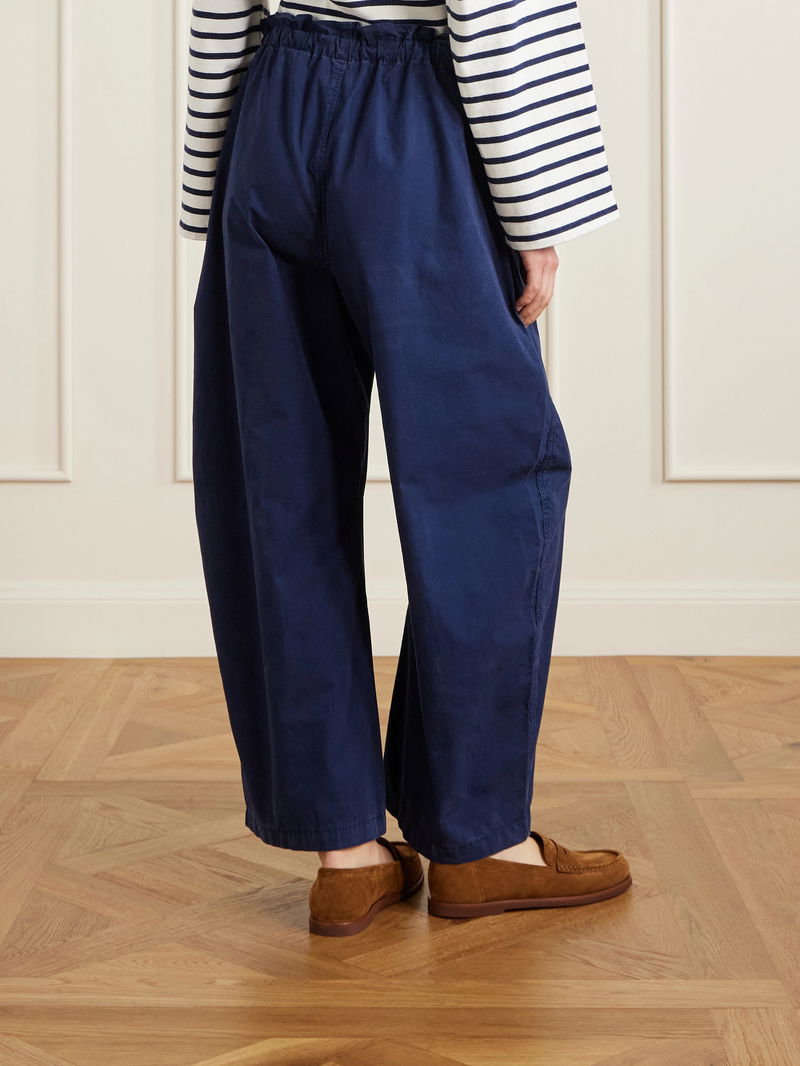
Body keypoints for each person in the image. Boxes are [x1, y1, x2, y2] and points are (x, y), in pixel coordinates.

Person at [180, 0, 632, 936]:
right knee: (485, 484)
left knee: (282, 484)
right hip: (419, 114)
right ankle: (476, 840)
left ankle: (345, 856)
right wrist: (536, 210)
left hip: (273, 101)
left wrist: (212, 180)